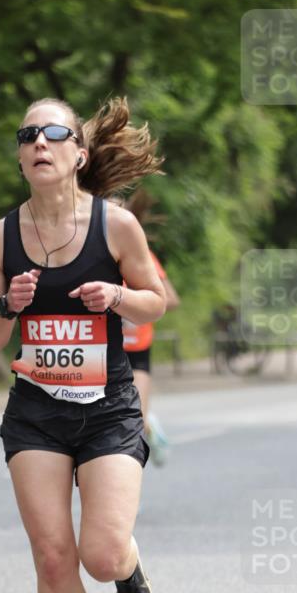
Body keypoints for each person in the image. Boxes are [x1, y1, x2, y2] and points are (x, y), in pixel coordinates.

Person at [0, 96, 166, 593]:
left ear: (79, 154)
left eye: (53, 133)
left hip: (107, 405)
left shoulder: (115, 227)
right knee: (52, 552)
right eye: (27, 134)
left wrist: (116, 295)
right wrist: (7, 305)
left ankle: (129, 568)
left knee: (101, 555)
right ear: (22, 157)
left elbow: (154, 303)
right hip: (35, 412)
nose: (39, 142)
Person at [121, 190, 180, 466]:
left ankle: (149, 426)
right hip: (101, 351)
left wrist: (137, 303)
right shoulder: (90, 257)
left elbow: (172, 299)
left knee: (137, 422)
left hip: (137, 351)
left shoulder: (143, 257)